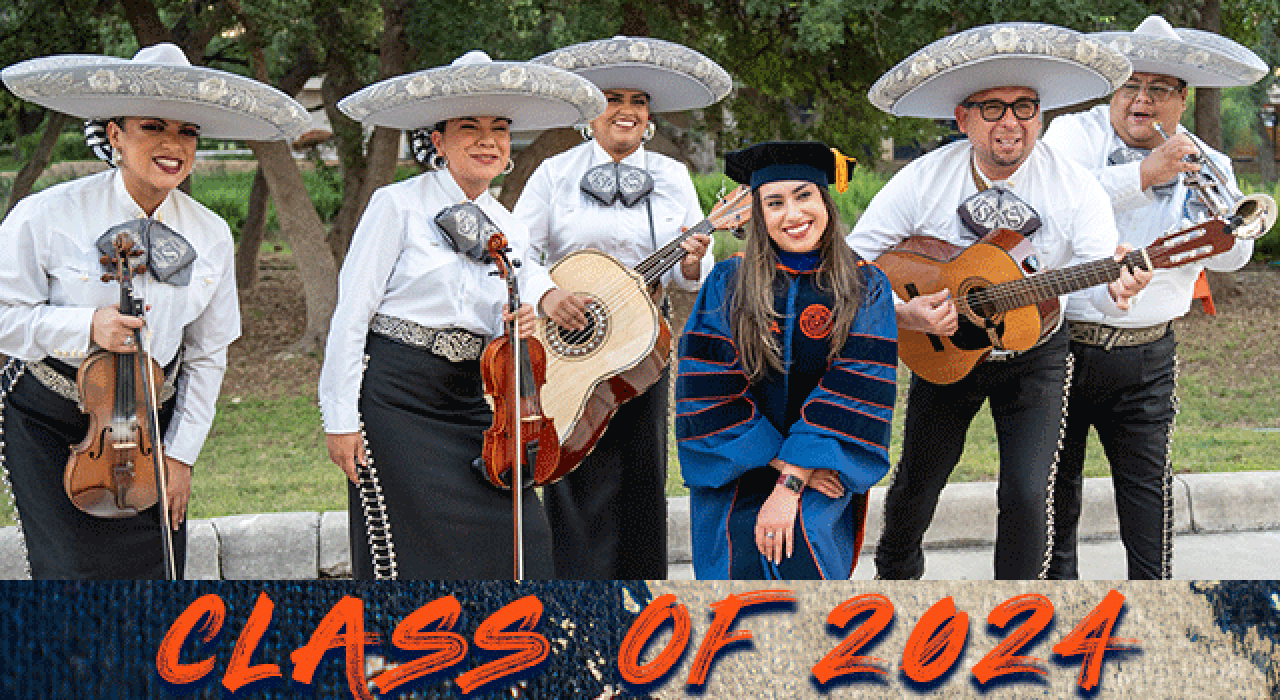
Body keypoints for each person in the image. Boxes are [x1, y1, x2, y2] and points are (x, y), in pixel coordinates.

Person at [848, 23, 1154, 580]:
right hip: (941, 348)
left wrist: (1119, 285)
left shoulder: (1074, 186)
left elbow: (1099, 274)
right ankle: (893, 579)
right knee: (919, 478)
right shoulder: (923, 179)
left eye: (1025, 107)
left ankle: (1016, 614)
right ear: (963, 119)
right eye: (992, 108)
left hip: (1035, 354)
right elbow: (850, 263)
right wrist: (901, 312)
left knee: (1026, 490)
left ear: (1041, 118)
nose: (1010, 122)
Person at [0, 43, 309, 579]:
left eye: (187, 131)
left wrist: (182, 453)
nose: (173, 145)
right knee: (70, 577)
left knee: (155, 578)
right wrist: (85, 325)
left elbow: (208, 355)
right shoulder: (46, 215)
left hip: (150, 432)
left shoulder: (210, 233)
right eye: (152, 127)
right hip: (53, 425)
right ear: (115, 134)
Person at [319, 51, 605, 579]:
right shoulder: (396, 205)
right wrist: (339, 418)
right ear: (440, 140)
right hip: (396, 397)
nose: (487, 140)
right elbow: (351, 315)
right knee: (404, 552)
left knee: (522, 539)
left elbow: (509, 302)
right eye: (469, 127)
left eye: (499, 129)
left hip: (473, 398)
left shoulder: (507, 223)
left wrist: (521, 319)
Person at [1041, 16, 1269, 580]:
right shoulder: (1072, 136)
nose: (1141, 99)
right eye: (1130, 85)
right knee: (1053, 495)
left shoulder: (1207, 160)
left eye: (1158, 88)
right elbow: (1056, 209)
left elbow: (1234, 257)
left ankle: (1154, 614)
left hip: (1149, 353)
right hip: (1062, 345)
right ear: (1112, 90)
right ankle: (1053, 615)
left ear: (1181, 101)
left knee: (1149, 498)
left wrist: (1218, 219)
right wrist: (1146, 173)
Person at [513, 37, 730, 579]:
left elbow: (693, 276)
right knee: (573, 472)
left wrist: (694, 258)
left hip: (640, 345)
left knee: (641, 474)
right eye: (613, 98)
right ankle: (577, 605)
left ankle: (638, 612)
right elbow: (515, 250)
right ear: (592, 111)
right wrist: (546, 294)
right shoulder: (554, 173)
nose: (626, 110)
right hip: (568, 347)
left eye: (637, 100)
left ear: (649, 116)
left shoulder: (673, 176)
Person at [676, 141, 897, 580]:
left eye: (804, 196)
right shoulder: (728, 282)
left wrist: (793, 481)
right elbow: (709, 387)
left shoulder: (865, 285)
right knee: (735, 554)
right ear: (759, 216)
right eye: (774, 203)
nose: (793, 215)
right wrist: (779, 464)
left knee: (803, 533)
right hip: (738, 461)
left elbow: (856, 387)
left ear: (825, 202)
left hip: (823, 460)